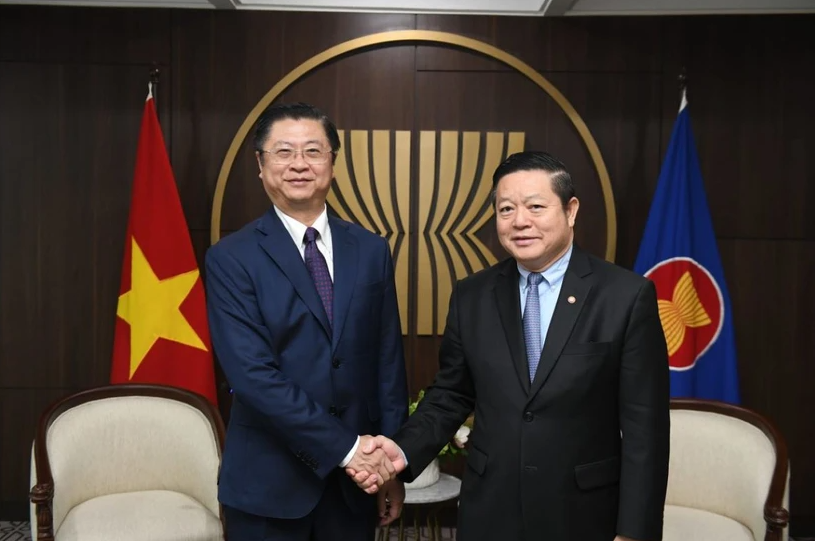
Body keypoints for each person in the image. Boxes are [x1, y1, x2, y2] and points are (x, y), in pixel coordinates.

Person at [352, 151, 670, 541]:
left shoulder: (625, 295)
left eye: (536, 206)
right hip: (491, 510)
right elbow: (451, 394)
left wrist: (635, 532)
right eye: (506, 209)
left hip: (584, 514)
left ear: (571, 211)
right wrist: (398, 454)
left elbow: (645, 429)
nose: (520, 221)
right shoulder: (472, 296)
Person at [205, 102, 409, 540]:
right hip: (269, 486)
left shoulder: (371, 250)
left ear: (332, 164)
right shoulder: (231, 258)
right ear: (261, 165)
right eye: (283, 152)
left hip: (355, 489)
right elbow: (252, 376)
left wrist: (390, 465)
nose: (299, 164)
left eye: (313, 151)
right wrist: (349, 450)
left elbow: (387, 363)